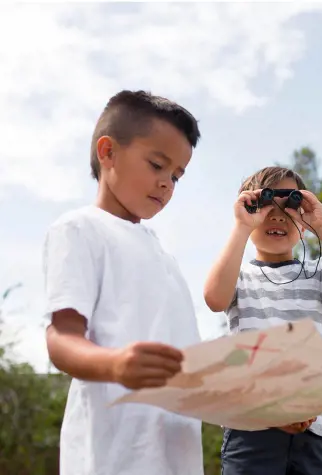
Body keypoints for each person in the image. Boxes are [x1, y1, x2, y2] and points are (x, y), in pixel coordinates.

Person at [43, 90, 204, 475]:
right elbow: (61, 339)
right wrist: (115, 364)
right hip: (112, 457)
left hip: (177, 456)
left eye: (177, 176)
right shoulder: (80, 229)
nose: (166, 184)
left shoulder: (165, 258)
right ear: (108, 152)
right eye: (156, 164)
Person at [203, 166, 322, 475]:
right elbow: (214, 298)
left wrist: (321, 225)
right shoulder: (240, 276)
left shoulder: (321, 272)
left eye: (289, 207)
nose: (277, 216)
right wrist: (241, 227)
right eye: (265, 207)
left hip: (314, 431)